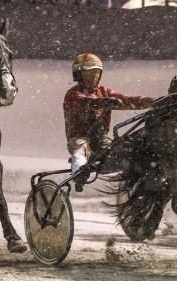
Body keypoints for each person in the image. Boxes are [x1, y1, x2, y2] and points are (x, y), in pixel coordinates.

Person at [63, 52, 154, 191]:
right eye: (89, 73)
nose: (93, 78)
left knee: (122, 150)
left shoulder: (104, 91)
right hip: (79, 138)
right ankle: (79, 174)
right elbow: (85, 102)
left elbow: (128, 100)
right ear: (78, 75)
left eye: (96, 73)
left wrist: (154, 102)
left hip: (101, 140)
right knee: (80, 148)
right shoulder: (72, 94)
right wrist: (102, 102)